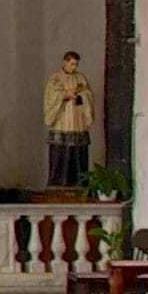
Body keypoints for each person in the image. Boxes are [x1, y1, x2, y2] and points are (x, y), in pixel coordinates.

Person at [43, 49, 95, 189]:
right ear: (65, 62)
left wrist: (80, 96)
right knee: (61, 152)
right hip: (62, 119)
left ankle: (79, 182)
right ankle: (58, 182)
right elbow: (51, 95)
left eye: (76, 64)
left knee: (78, 152)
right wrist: (65, 95)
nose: (74, 67)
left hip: (77, 119)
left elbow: (88, 94)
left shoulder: (81, 78)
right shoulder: (56, 78)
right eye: (72, 64)